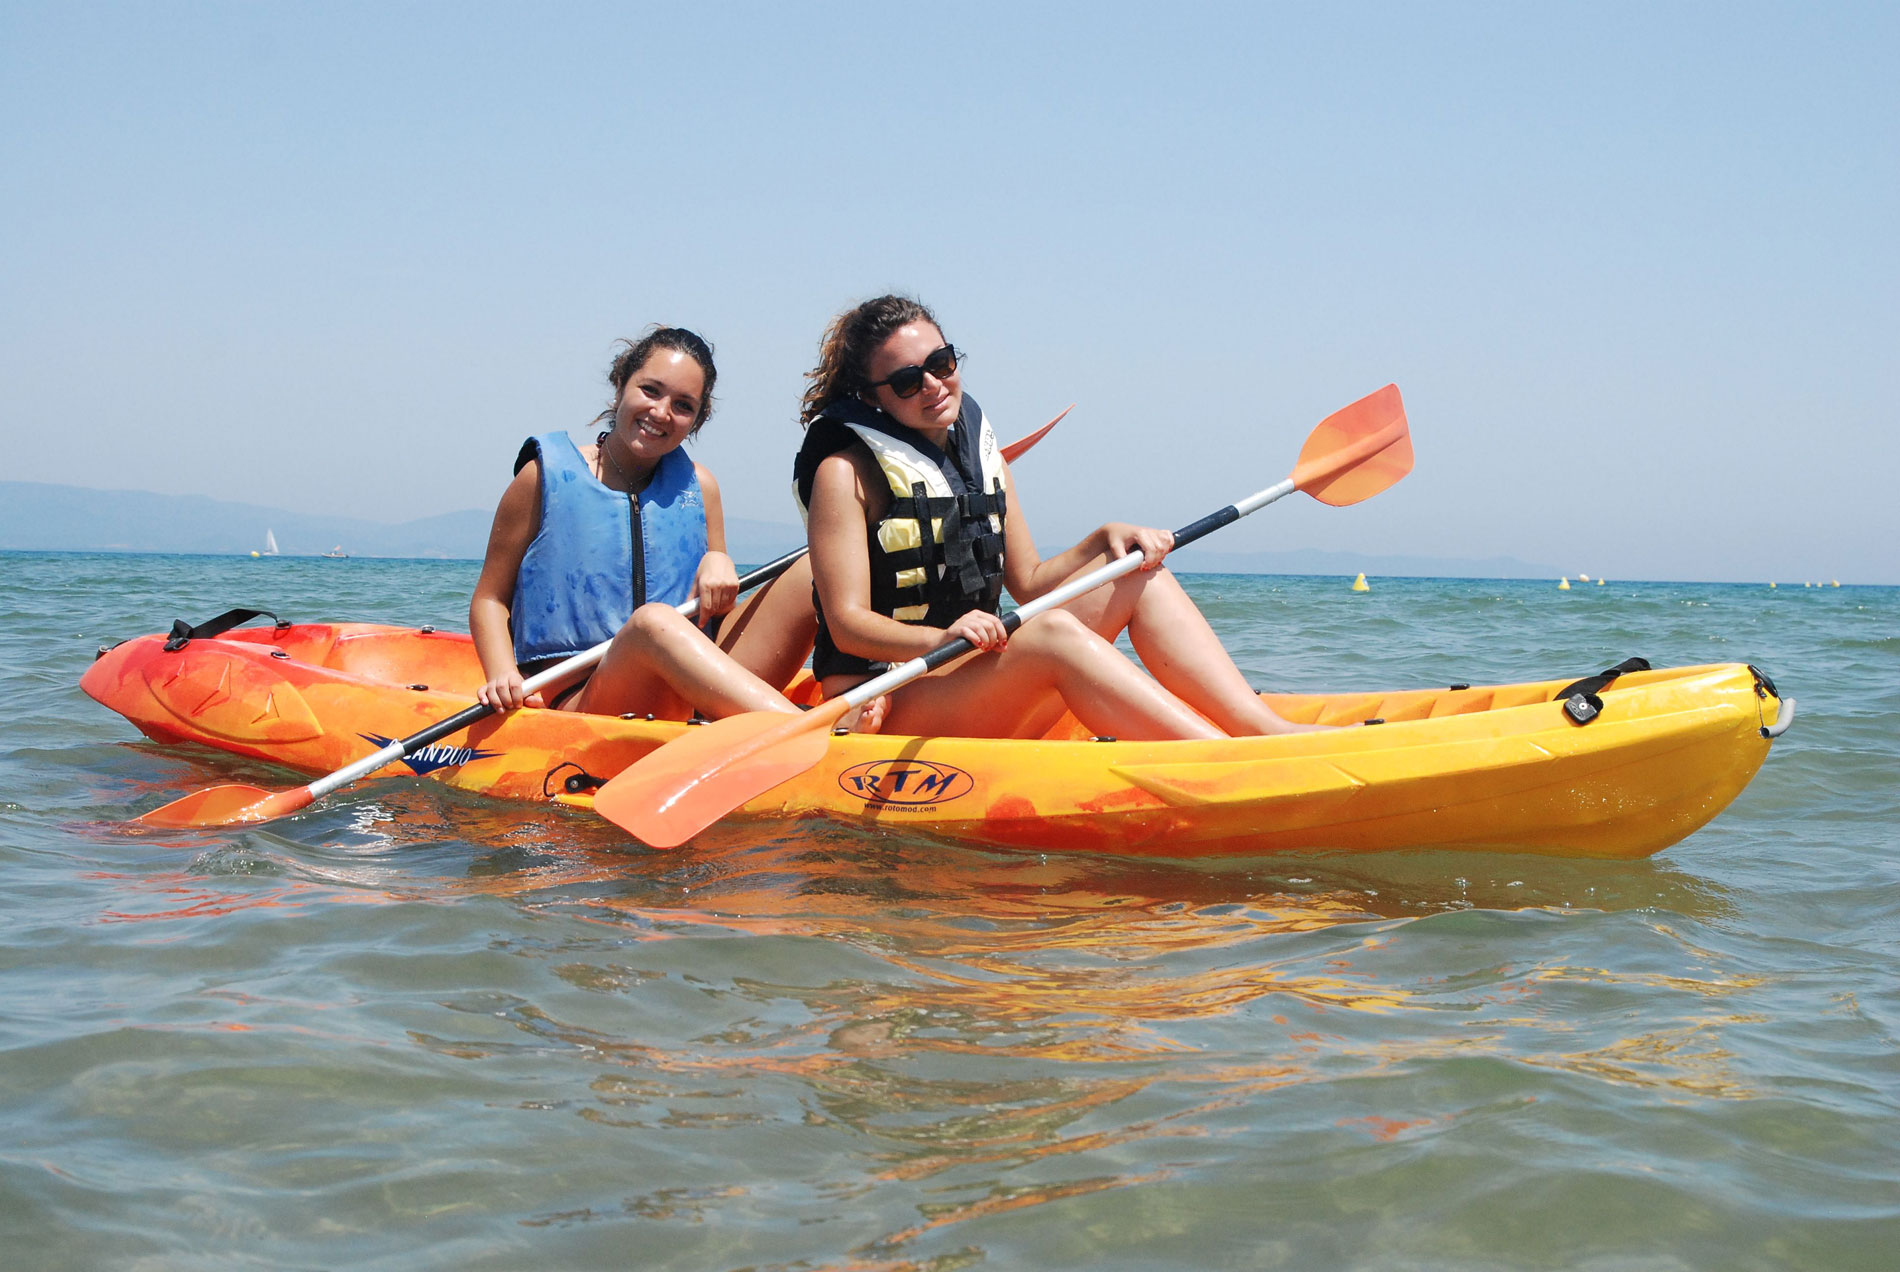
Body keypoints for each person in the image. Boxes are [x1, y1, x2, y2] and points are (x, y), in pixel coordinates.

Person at [795, 295, 1328, 741]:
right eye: (909, 381)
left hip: (965, 676)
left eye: (941, 364)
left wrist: (1102, 541)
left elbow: (1028, 583)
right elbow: (847, 626)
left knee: (1140, 574)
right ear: (872, 398)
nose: (933, 385)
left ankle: (1260, 730)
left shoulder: (983, 456)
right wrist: (939, 639)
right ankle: (1217, 759)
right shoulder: (844, 474)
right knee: (1049, 633)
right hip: (881, 700)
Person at [470, 326, 822, 723]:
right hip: (582, 695)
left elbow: (714, 606)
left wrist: (720, 558)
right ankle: (808, 731)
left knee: (817, 566)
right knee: (652, 623)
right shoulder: (541, 478)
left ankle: (853, 692)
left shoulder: (700, 487)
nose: (661, 412)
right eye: (650, 390)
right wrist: (501, 671)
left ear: (697, 419)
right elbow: (490, 598)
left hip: (685, 694)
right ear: (620, 385)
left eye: (683, 405)